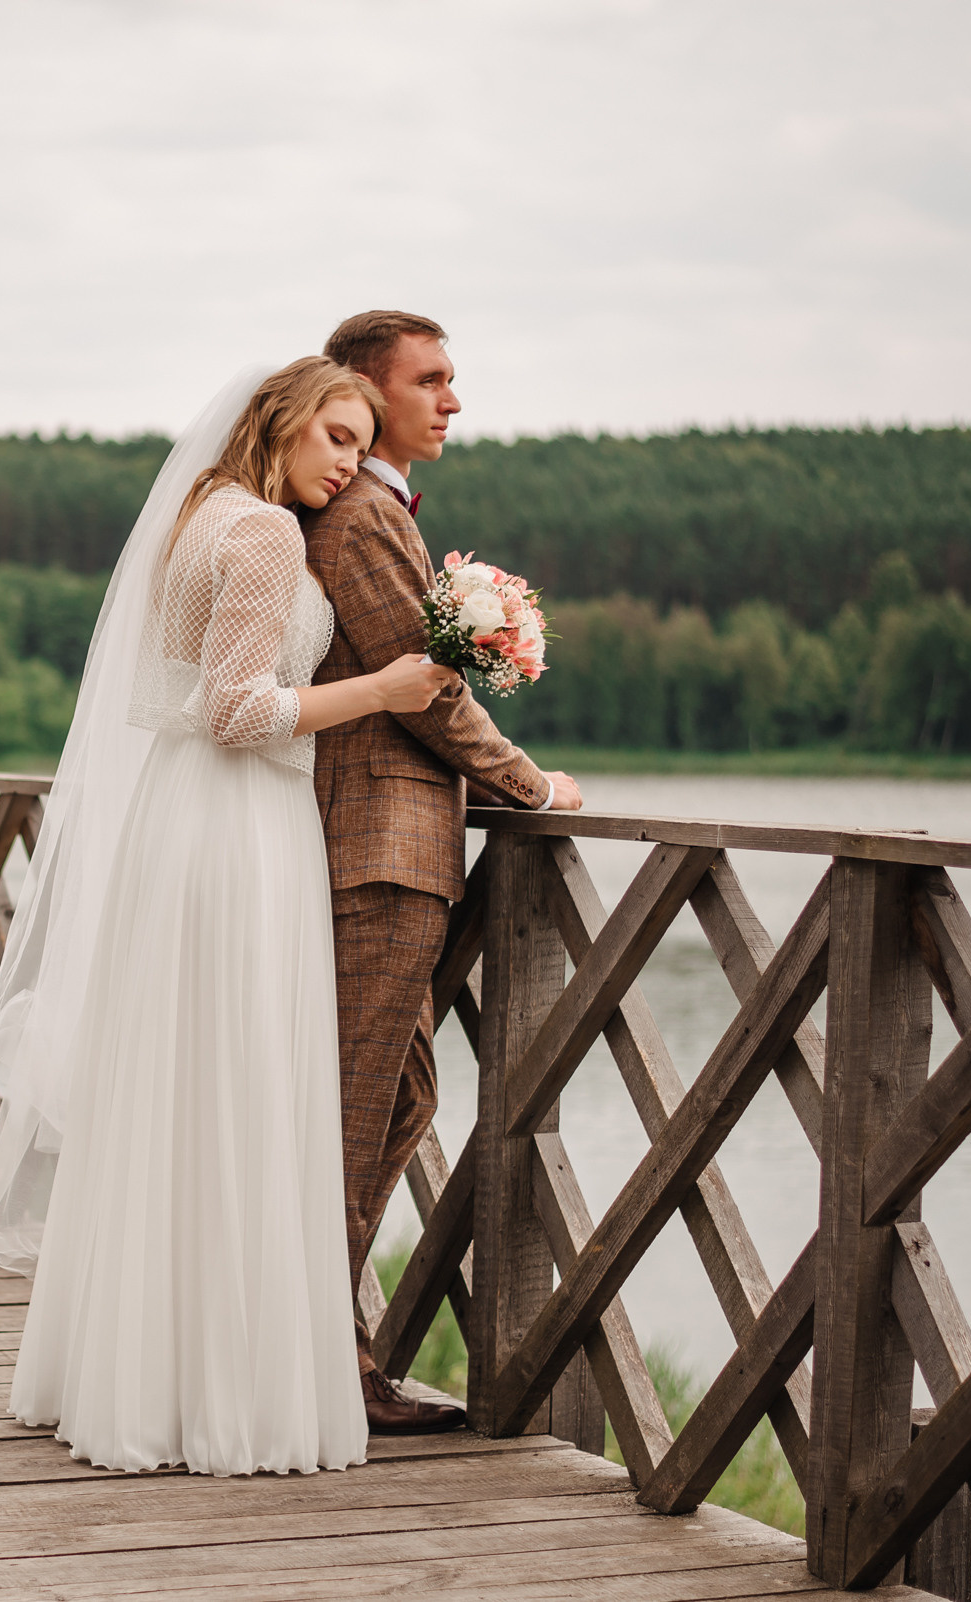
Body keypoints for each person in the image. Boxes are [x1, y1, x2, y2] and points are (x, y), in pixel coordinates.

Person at [0, 357, 454, 1476]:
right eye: (337, 438)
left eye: (362, 446)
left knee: (177, 1090)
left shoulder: (198, 514)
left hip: (182, 823)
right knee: (236, 1086)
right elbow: (233, 710)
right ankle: (221, 1392)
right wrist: (384, 690)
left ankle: (133, 1375)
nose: (350, 466)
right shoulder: (261, 531)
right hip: (238, 823)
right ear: (282, 419)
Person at [304, 310, 583, 1434]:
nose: (453, 400)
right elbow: (420, 690)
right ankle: (319, 1361)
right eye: (431, 380)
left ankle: (326, 1343)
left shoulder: (372, 510)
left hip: (393, 853)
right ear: (368, 393)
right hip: (377, 851)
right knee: (356, 1108)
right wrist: (529, 785)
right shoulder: (364, 516)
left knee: (398, 1098)